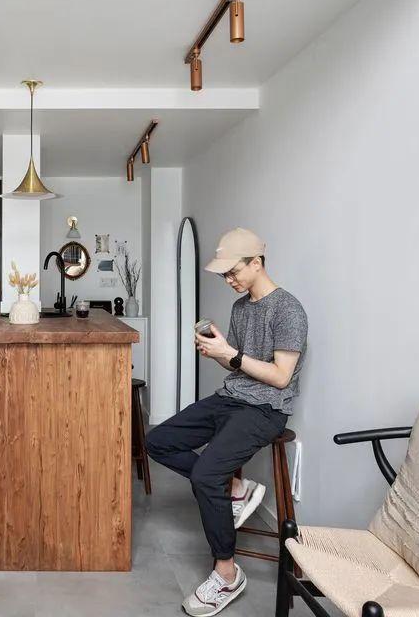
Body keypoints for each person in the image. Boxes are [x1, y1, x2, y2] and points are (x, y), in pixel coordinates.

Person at [145, 227, 307, 616]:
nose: (229, 280)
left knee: (204, 476)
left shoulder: (288, 310)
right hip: (231, 398)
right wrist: (217, 352)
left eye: (233, 272)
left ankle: (227, 573)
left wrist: (231, 354)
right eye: (224, 275)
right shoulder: (240, 308)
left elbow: (281, 377)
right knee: (157, 441)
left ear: (257, 263)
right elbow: (237, 366)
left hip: (266, 408)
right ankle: (235, 487)